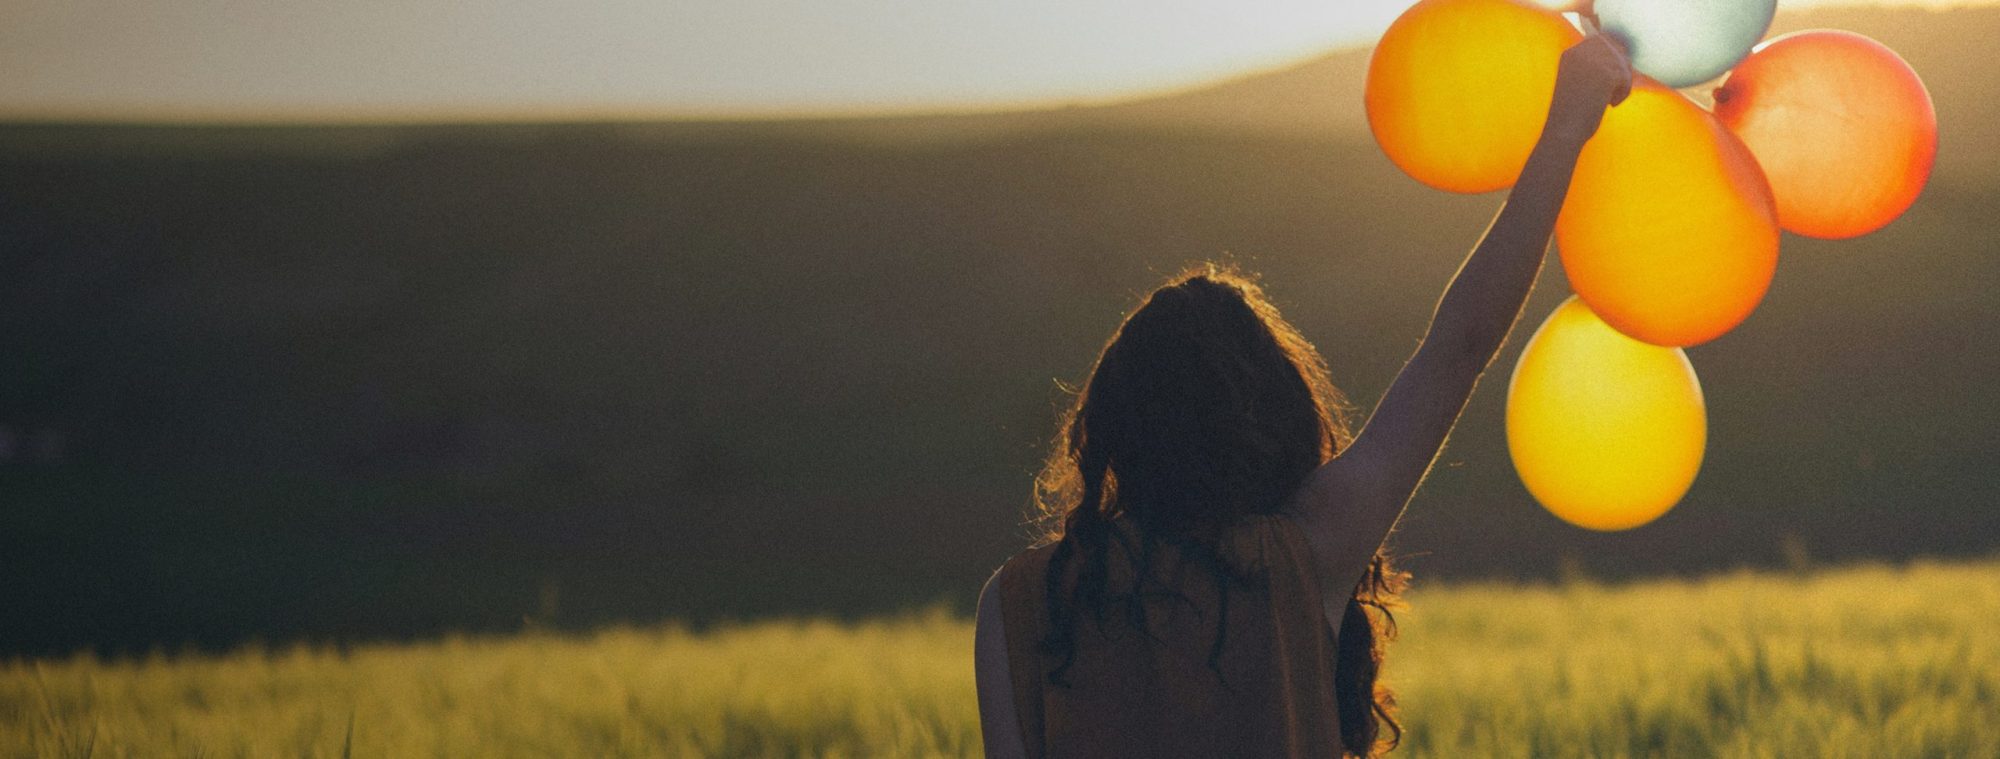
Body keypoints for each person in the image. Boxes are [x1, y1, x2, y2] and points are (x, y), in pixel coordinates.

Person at [973, 29, 1634, 759]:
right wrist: (1566, 124)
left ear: (1113, 425)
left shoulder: (1017, 602)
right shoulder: (1299, 555)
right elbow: (1460, 347)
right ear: (1272, 418)